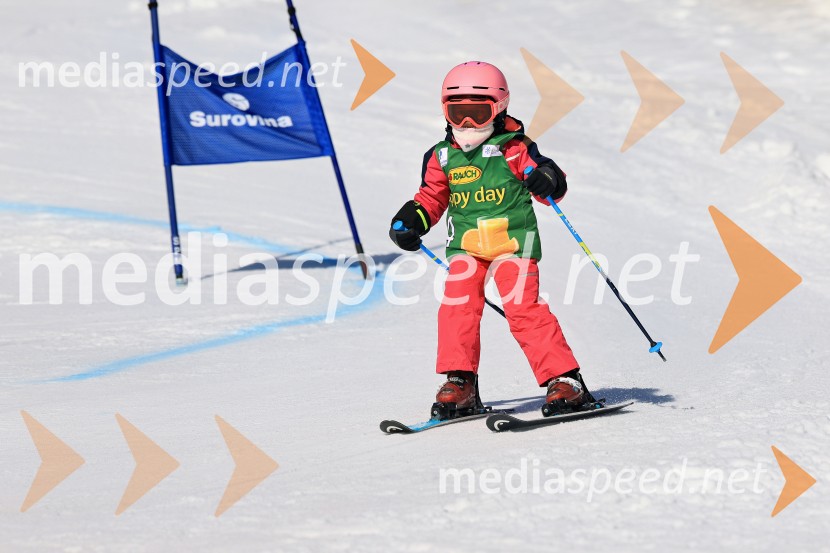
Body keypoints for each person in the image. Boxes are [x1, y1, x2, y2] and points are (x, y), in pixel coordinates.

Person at [389, 61, 594, 415]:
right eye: (458, 113)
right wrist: (412, 219)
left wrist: (547, 178)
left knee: (523, 310)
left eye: (477, 113)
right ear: (445, 110)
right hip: (467, 249)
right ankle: (461, 382)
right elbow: (432, 198)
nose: (467, 123)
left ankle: (565, 380)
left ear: (498, 108)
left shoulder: (514, 147)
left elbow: (549, 181)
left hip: (514, 246)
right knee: (456, 308)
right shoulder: (441, 156)